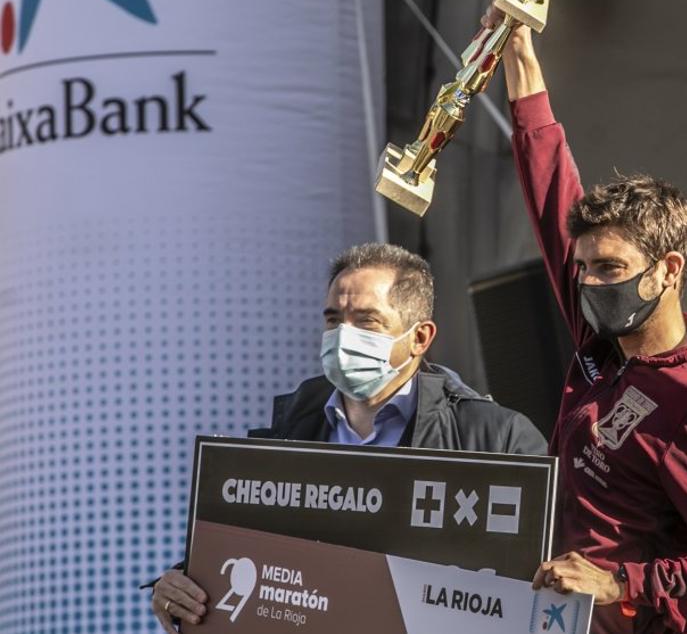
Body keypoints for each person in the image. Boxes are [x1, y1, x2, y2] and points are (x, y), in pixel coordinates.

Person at [495, 7, 687, 633]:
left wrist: (618, 582)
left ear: (668, 269)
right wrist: (516, 46)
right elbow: (551, 195)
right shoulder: (602, 343)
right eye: (586, 267)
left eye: (611, 267)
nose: (591, 282)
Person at [148, 242, 546, 632]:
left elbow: (542, 584)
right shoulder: (285, 437)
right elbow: (247, 559)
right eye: (333, 319)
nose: (343, 337)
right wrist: (184, 582)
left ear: (420, 338)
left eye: (367, 321)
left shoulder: (498, 439)